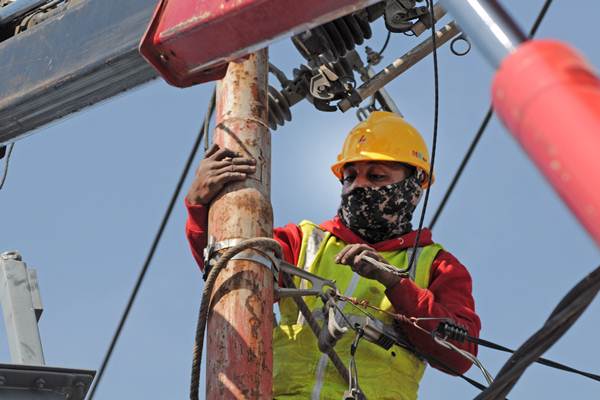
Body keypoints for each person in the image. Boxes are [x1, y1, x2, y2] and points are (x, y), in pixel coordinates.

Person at [185, 111, 481, 399]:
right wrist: (199, 206)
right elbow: (231, 269)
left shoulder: (436, 267)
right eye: (350, 177)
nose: (359, 186)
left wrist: (396, 285)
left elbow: (460, 356)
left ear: (414, 188)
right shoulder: (302, 241)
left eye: (376, 176)